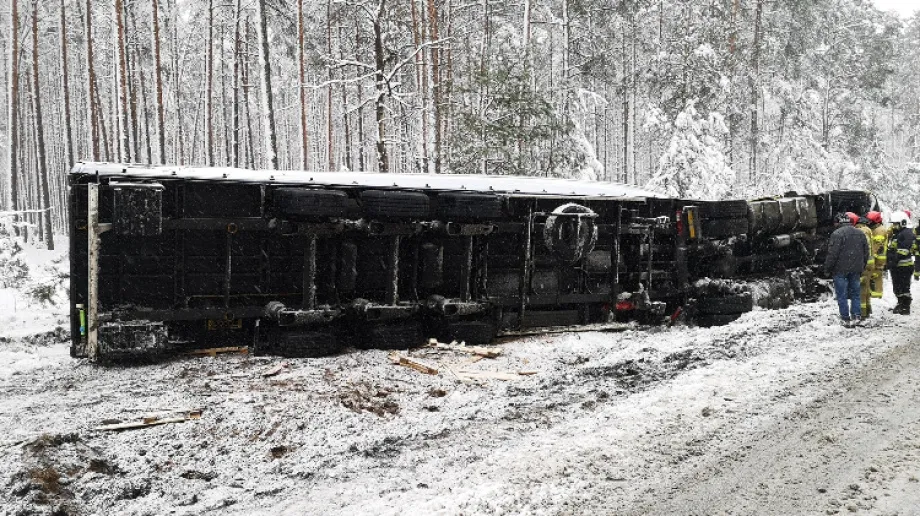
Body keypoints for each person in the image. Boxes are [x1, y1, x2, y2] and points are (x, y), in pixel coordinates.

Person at [825, 212, 870, 326]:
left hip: (840, 270)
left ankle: (845, 318)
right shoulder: (860, 233)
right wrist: (862, 266)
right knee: (856, 293)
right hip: (856, 269)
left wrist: (827, 269)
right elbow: (866, 252)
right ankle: (856, 316)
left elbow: (832, 254)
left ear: (838, 222)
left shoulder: (837, 234)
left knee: (842, 295)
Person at [887, 211, 914, 314]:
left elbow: (903, 251)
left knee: (904, 287)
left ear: (902, 223)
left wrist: (893, 260)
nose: (893, 226)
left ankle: (905, 307)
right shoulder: (898, 234)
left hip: (904, 266)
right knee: (897, 287)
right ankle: (900, 304)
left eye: (895, 224)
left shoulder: (906, 233)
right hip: (897, 266)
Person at [853, 214, 875, 317]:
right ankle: (868, 308)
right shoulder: (868, 230)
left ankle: (862, 313)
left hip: (865, 263)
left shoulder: (862, 231)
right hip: (870, 262)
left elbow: (861, 248)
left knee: (861, 288)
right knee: (866, 286)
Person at [866, 210, 887, 298]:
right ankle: (875, 292)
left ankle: (876, 293)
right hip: (878, 257)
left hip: (878, 257)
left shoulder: (879, 231)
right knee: (875, 274)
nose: (868, 223)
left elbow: (877, 245)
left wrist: (871, 255)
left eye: (870, 221)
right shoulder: (877, 229)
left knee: (876, 274)